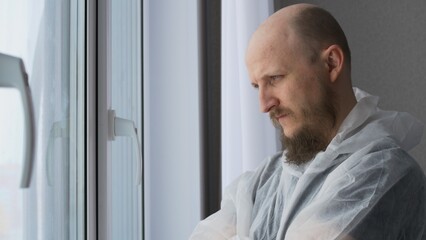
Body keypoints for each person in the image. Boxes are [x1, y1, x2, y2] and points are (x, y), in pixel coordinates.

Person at [190, 3, 426, 240]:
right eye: (256, 86)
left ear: (332, 63)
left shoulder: (383, 175)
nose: (264, 104)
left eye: (275, 78)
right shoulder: (267, 178)